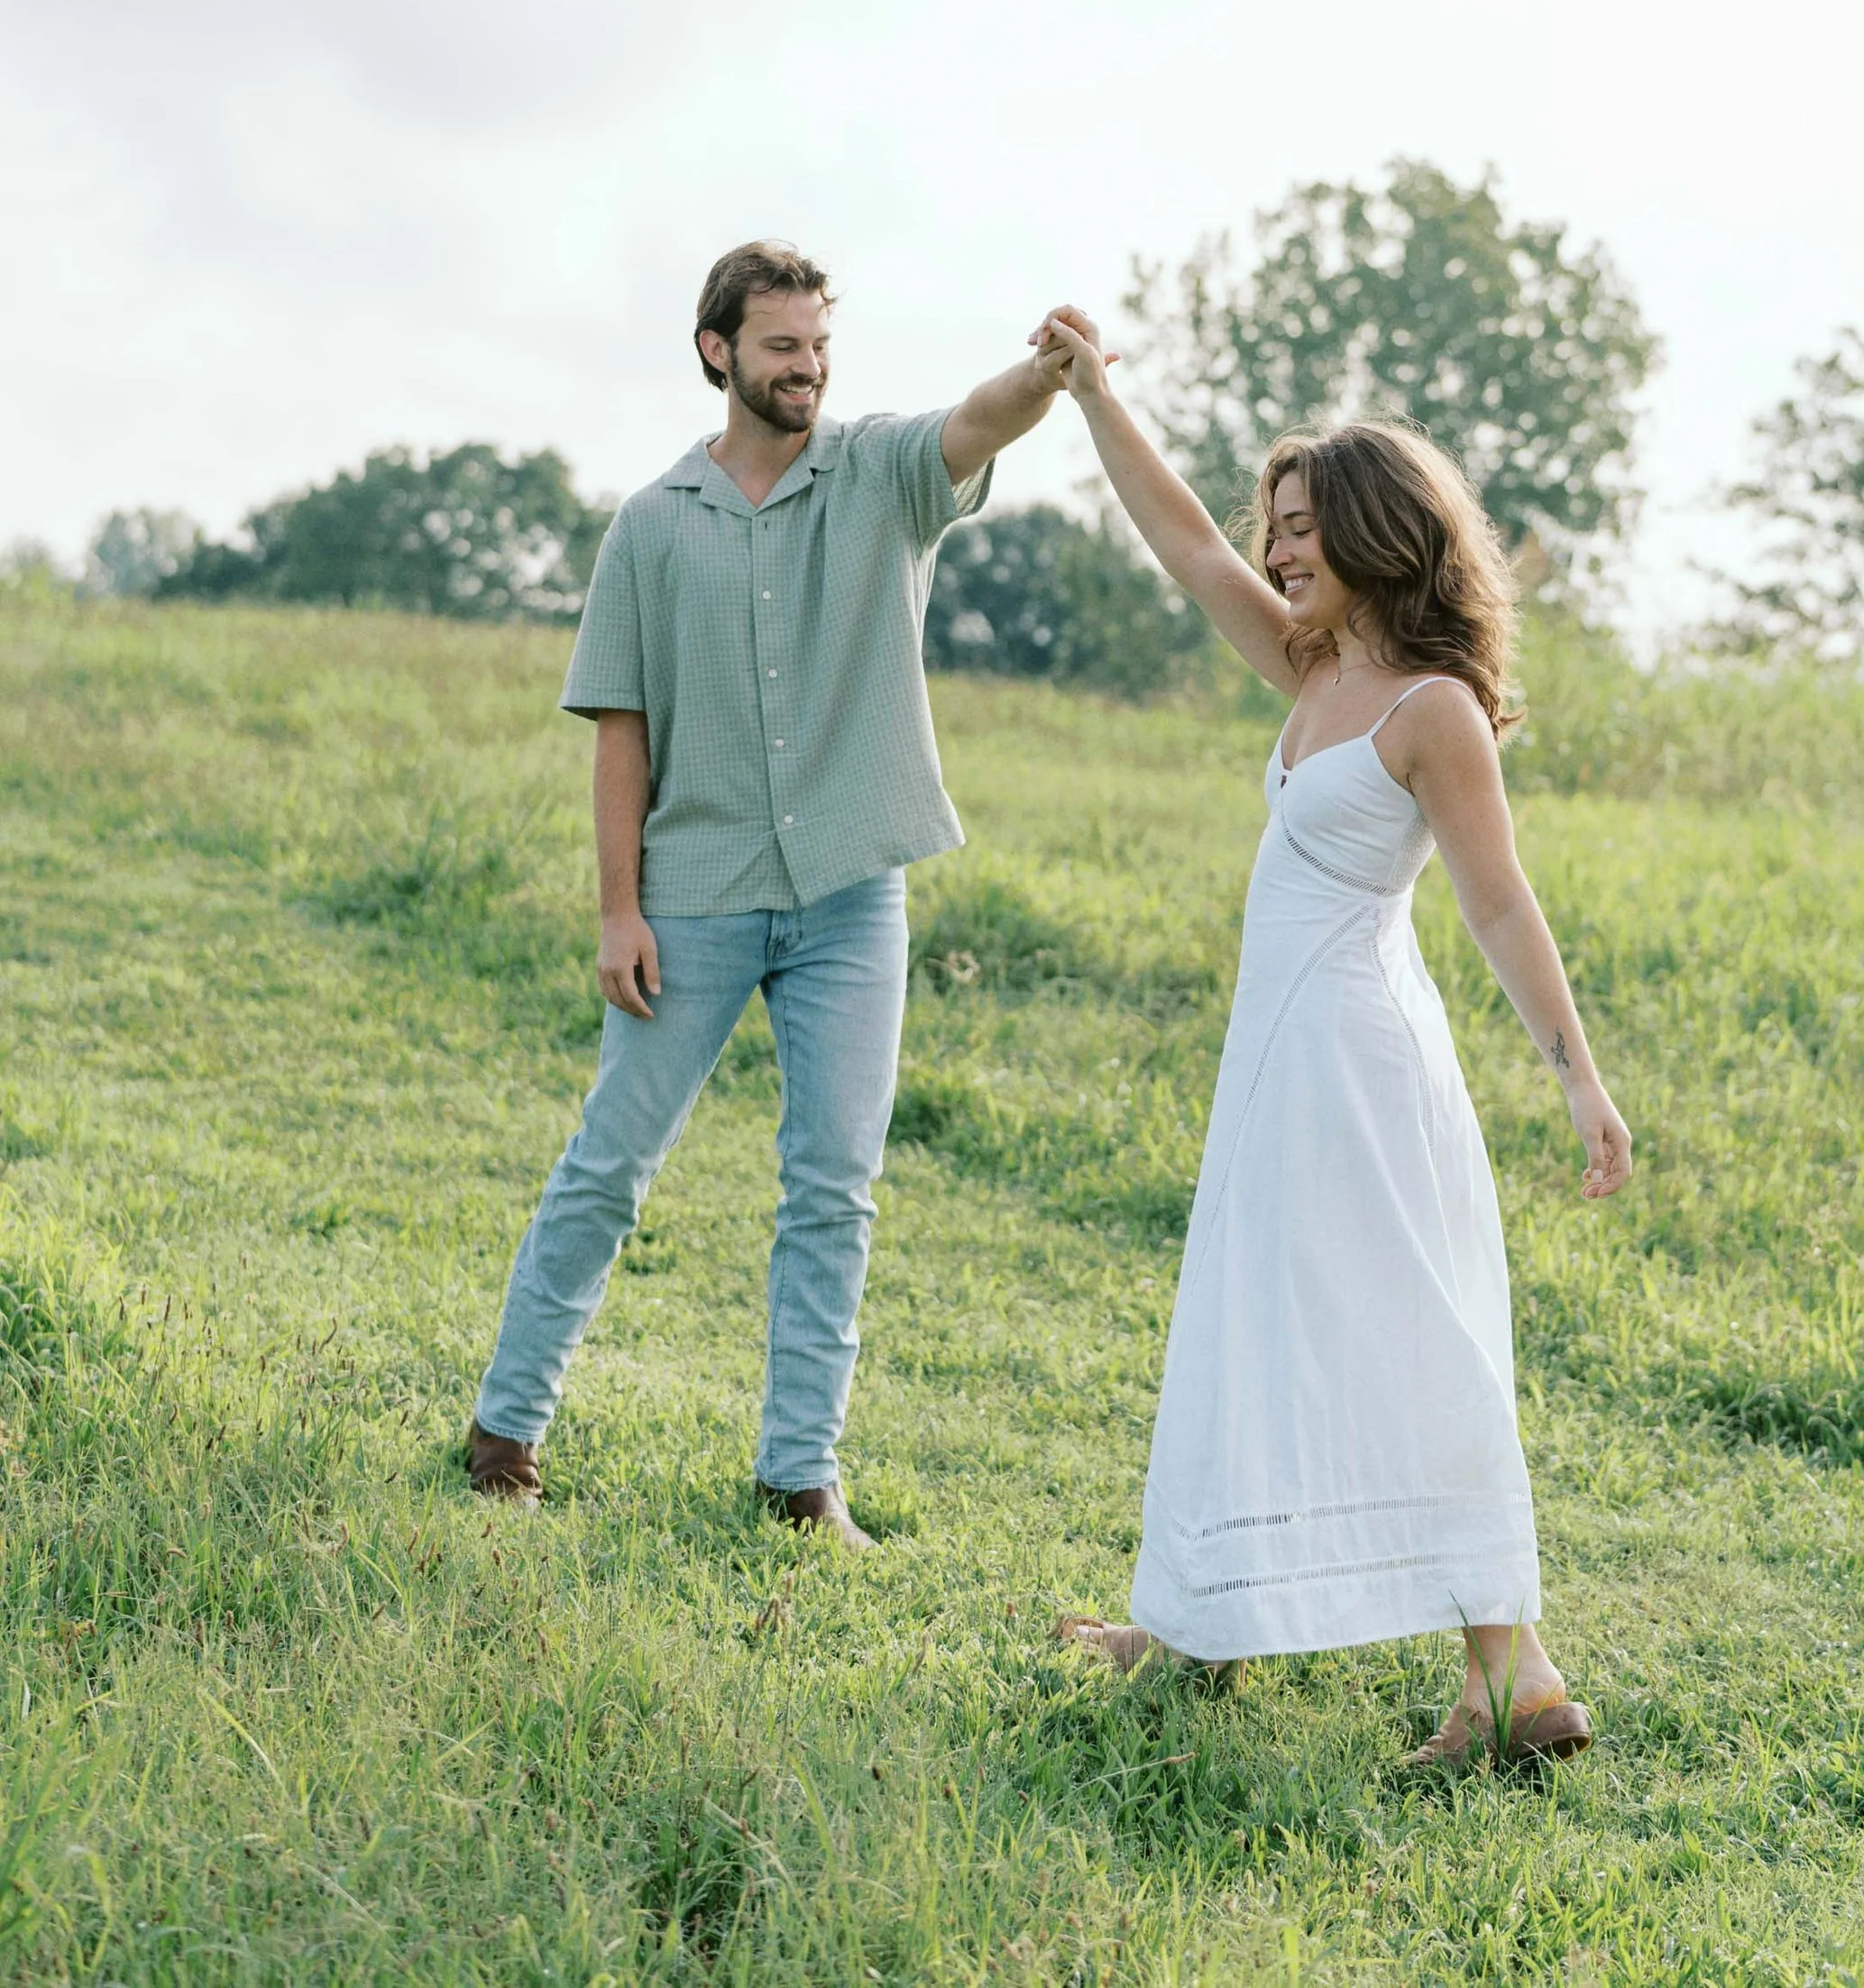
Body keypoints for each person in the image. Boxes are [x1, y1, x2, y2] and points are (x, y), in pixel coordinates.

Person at [1040, 317, 1634, 1765]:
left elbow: (1499, 903)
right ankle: (1199, 1614)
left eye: (1304, 529)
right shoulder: (1309, 668)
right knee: (1253, 1316)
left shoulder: (1435, 711)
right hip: (1279, 1062)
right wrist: (1097, 396)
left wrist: (1581, 1082)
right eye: (1278, 528)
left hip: (1361, 1065)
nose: (1279, 549)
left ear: (1375, 532)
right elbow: (1185, 546)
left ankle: (1514, 1676)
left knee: (1403, 1337)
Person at [464, 240, 1088, 1542]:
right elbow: (619, 730)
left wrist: (1047, 371)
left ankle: (800, 1477)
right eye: (781, 347)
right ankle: (504, 1432)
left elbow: (980, 422)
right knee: (610, 1164)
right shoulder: (649, 524)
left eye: (818, 347)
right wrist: (617, 910)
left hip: (856, 898)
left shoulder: (879, 475)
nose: (806, 369)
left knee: (832, 1185)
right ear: (719, 353)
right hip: (689, 893)